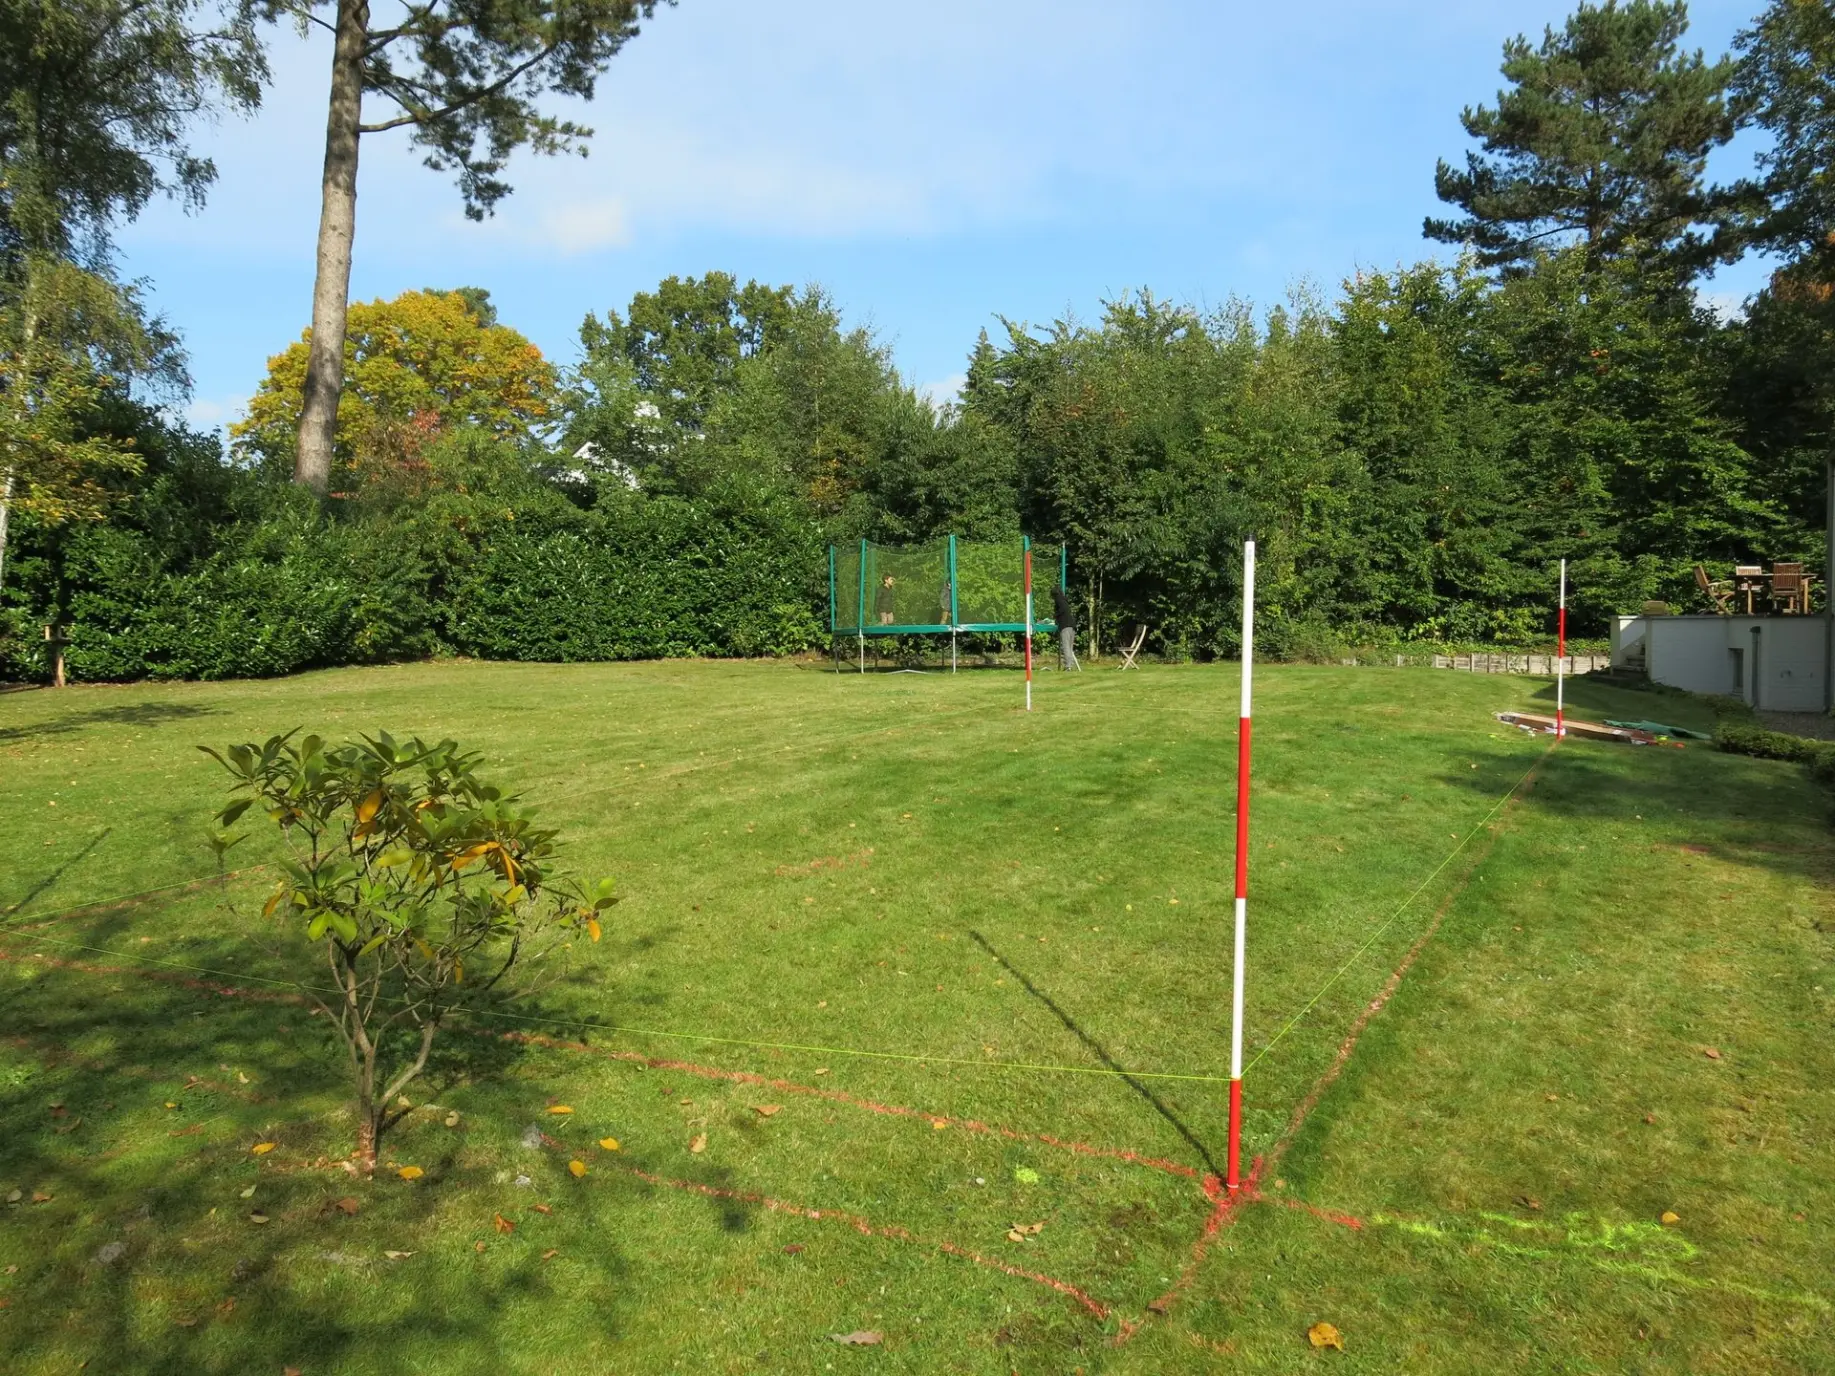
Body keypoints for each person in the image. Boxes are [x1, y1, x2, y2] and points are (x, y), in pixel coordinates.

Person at [1051, 583, 1080, 671]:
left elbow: (1062, 610)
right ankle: (1069, 665)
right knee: (1070, 647)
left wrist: (1055, 615)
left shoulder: (1058, 600)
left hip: (1065, 626)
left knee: (1066, 646)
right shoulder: (1064, 600)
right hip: (1072, 626)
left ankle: (1068, 666)